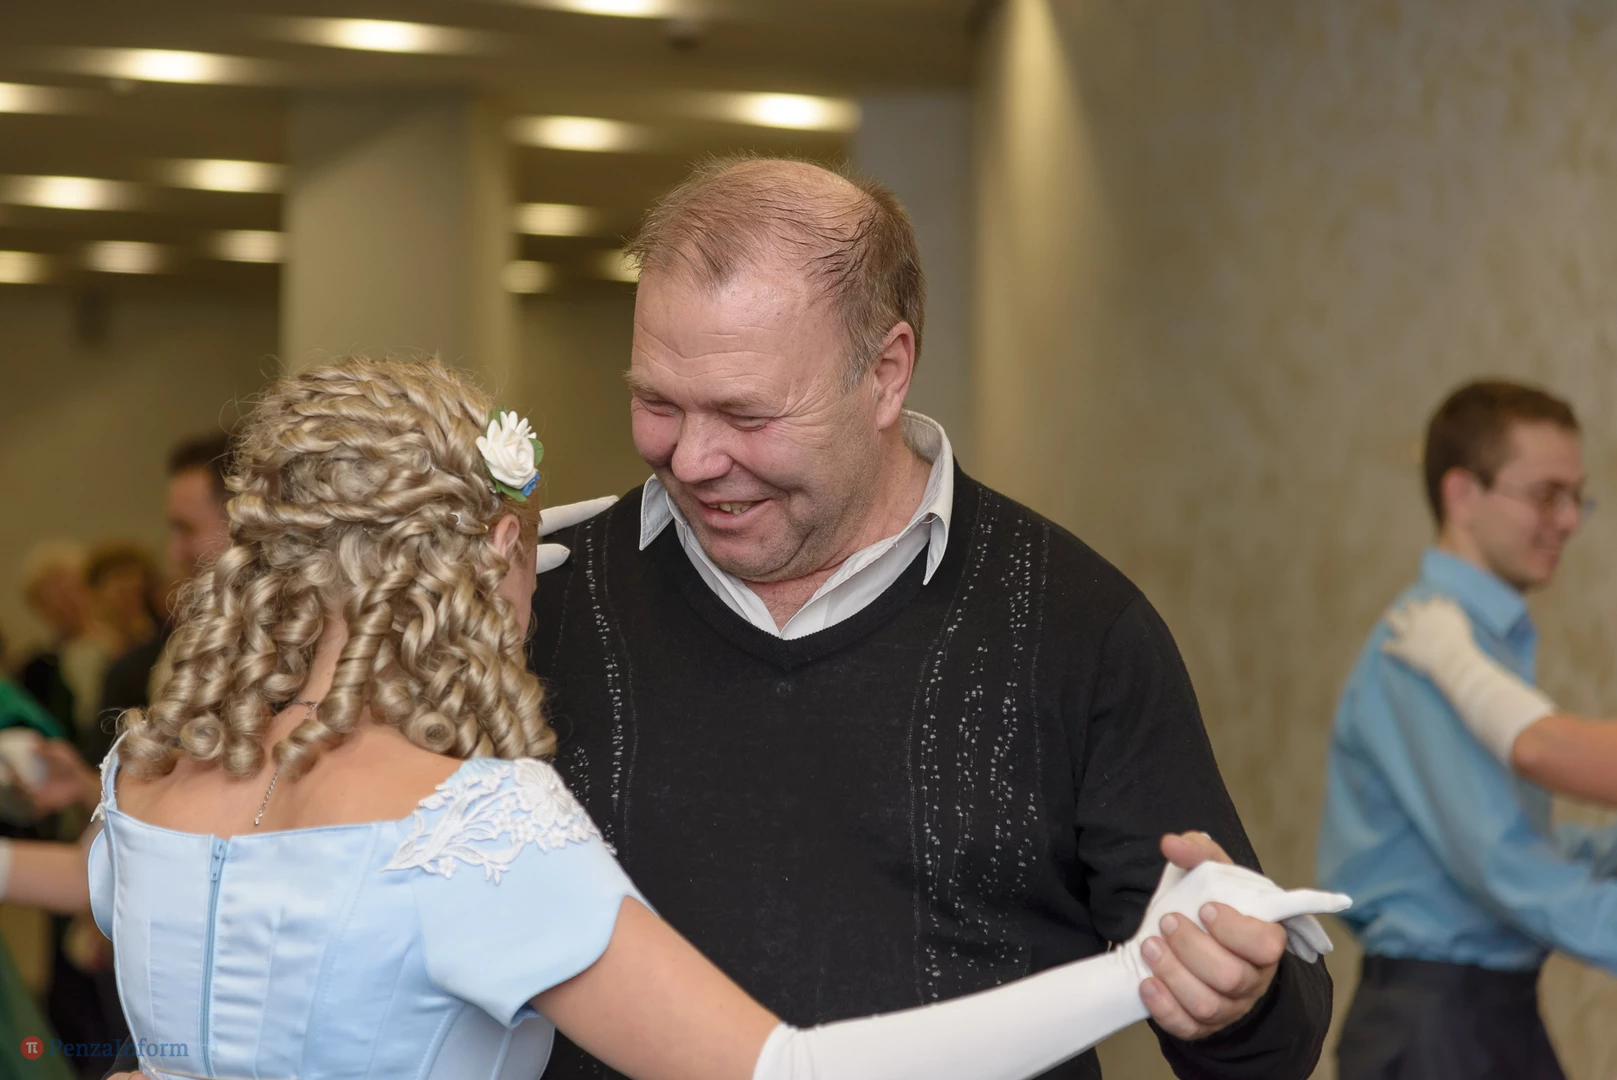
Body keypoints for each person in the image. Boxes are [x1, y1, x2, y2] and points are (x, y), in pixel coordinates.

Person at [81, 355, 1344, 1080]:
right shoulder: (471, 829)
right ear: (498, 555)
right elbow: (791, 1073)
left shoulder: (141, 779)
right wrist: (1129, 974)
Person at [528, 157, 1334, 1080]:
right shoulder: (540, 607)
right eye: (657, 403)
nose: (693, 458)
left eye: (745, 415)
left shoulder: (1075, 627)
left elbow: (1268, 1047)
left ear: (885, 374)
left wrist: (1235, 1001)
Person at [1317, 379, 1617, 1080]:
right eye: (1546, 494)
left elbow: (1518, 832)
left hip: (1482, 1012)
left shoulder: (1469, 646)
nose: (1568, 520)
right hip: (1440, 1024)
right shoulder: (1421, 645)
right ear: (1461, 495)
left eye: (1575, 496)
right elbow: (1502, 864)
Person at [97, 433, 233, 728]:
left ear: (244, 524)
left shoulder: (295, 642)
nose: (174, 551)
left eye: (186, 529)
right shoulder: (184, 643)